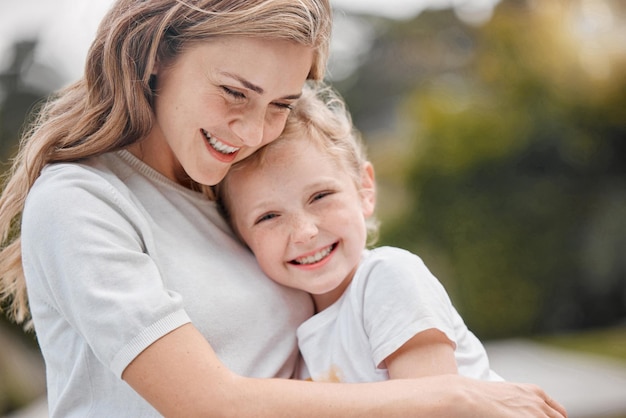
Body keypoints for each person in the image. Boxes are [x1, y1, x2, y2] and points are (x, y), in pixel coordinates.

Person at [0, 0, 567, 417]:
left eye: (279, 105)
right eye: (233, 92)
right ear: (154, 59)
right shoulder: (82, 199)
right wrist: (450, 394)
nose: (251, 131)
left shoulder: (225, 187)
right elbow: (207, 404)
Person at [215, 83, 504, 383]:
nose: (304, 232)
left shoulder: (388, 278)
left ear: (364, 189)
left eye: (320, 196)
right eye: (269, 216)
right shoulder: (297, 332)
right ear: (240, 237)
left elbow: (433, 404)